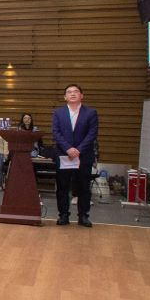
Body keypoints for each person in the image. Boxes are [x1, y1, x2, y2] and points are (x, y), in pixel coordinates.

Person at [51, 84, 99, 227]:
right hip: (64, 155)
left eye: (76, 92)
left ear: (81, 95)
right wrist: (68, 149)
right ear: (65, 97)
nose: (72, 94)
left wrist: (78, 150)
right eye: (69, 92)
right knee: (62, 187)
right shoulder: (58, 113)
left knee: (83, 187)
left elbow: (92, 133)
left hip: (83, 156)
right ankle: (63, 215)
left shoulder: (91, 113)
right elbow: (56, 133)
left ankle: (83, 216)